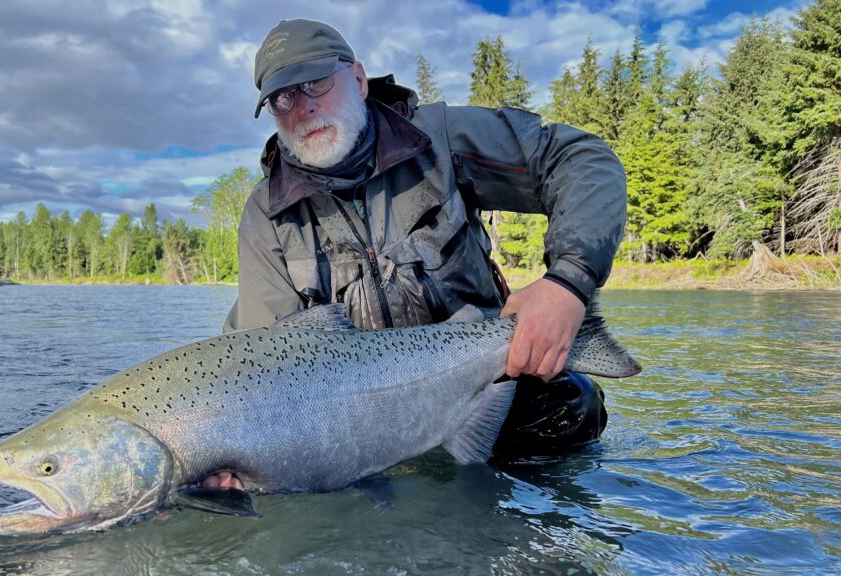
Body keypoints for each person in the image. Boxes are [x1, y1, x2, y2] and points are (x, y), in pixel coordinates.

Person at [204, 19, 626, 490]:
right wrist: (239, 457)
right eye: (281, 98)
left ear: (359, 80)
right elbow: (265, 364)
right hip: (361, 421)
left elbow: (581, 160)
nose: (302, 107)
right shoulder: (267, 215)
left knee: (575, 409)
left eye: (315, 83)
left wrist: (567, 284)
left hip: (482, 378)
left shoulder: (439, 140)